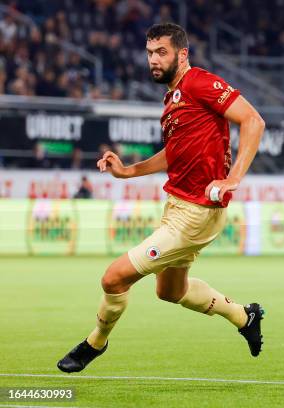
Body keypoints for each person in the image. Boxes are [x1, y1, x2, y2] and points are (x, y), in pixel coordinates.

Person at [57, 23, 266, 373]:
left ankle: (95, 342)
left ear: (182, 54)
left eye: (162, 52)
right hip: (179, 207)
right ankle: (245, 316)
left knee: (113, 278)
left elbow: (253, 121)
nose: (153, 60)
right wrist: (127, 172)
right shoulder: (172, 98)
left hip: (196, 213)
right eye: (150, 53)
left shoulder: (199, 82)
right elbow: (174, 153)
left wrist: (233, 178)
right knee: (169, 291)